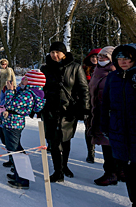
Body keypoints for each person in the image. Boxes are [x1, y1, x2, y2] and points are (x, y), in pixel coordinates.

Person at [40, 42, 90, 182]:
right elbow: (39, 88)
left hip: (68, 111)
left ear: (64, 54)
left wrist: (85, 108)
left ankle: (64, 165)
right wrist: (37, 105)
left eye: (58, 52)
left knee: (66, 140)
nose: (55, 55)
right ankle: (58, 171)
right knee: (54, 141)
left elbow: (83, 89)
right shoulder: (45, 68)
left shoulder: (75, 68)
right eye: (52, 52)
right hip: (50, 110)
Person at [101, 43, 136, 207]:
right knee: (127, 168)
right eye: (120, 58)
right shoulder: (113, 77)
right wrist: (104, 124)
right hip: (118, 129)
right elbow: (105, 102)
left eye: (127, 58)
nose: (123, 61)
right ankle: (135, 203)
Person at [1, 70, 47, 189]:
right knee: (15, 149)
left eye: (26, 79)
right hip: (12, 122)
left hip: (14, 124)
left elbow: (10, 104)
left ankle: (23, 179)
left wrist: (10, 91)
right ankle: (18, 174)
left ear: (32, 82)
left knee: (17, 151)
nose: (22, 80)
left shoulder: (28, 95)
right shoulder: (26, 92)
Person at [88, 46, 124, 186]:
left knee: (110, 145)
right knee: (105, 144)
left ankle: (112, 173)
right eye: (100, 56)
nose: (101, 58)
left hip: (111, 114)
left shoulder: (115, 72)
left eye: (105, 56)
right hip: (98, 112)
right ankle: (113, 171)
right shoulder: (97, 70)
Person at [82, 48, 101, 163]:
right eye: (93, 57)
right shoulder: (84, 70)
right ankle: (91, 152)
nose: (95, 59)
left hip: (101, 103)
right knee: (88, 128)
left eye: (97, 57)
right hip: (89, 103)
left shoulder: (108, 69)